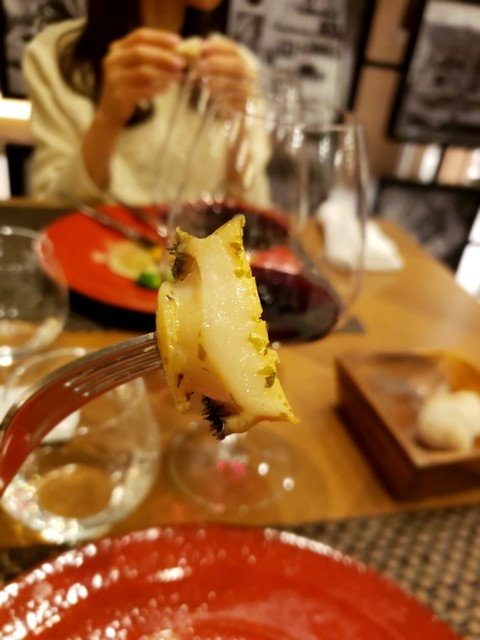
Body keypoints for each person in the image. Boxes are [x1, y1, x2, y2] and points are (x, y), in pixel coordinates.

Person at [22, 0, 258, 205]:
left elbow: (255, 215)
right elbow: (51, 210)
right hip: (100, 243)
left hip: (203, 243)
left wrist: (237, 125)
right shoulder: (53, 56)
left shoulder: (235, 65)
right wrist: (107, 118)